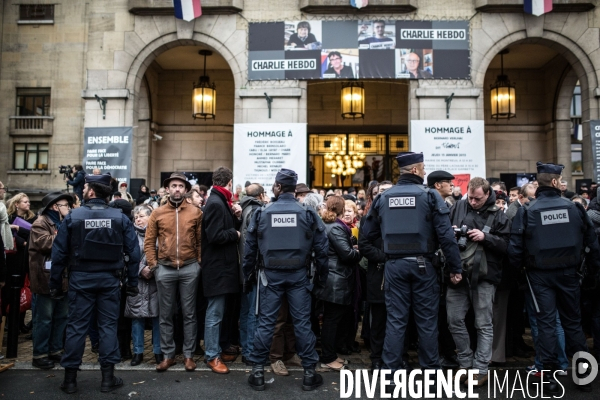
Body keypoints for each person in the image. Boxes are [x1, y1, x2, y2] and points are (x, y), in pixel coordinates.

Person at [359, 152, 462, 393]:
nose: (425, 172)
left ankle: (391, 376)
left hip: (394, 266)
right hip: (423, 265)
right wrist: (455, 268)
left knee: (396, 321)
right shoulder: (429, 196)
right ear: (415, 170)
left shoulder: (384, 198)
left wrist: (388, 252)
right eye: (423, 168)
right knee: (426, 321)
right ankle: (431, 377)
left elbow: (367, 235)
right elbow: (447, 236)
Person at [508, 162, 600, 394]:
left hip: (539, 276)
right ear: (556, 182)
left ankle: (548, 378)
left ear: (540, 183)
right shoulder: (575, 208)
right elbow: (592, 244)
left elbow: (515, 250)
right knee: (573, 324)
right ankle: (584, 377)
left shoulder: (527, 210)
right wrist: (591, 275)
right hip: (570, 274)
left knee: (546, 326)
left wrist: (517, 277)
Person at [50, 173, 140, 394]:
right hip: (110, 280)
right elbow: (134, 253)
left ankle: (70, 380)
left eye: (85, 187)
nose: (82, 190)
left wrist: (55, 284)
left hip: (81, 279)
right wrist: (132, 282)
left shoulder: (73, 217)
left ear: (90, 192)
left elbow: (59, 254)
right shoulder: (120, 217)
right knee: (108, 326)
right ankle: (107, 379)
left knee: (76, 327)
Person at [244, 168, 329, 392]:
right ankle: (310, 373)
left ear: (279, 187)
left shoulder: (263, 212)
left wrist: (247, 275)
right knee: (302, 323)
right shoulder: (307, 212)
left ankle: (258, 372)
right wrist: (321, 277)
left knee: (266, 323)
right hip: (299, 276)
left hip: (270, 276)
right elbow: (322, 248)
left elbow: (249, 248)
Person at [448, 177, 511, 387]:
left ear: (487, 194)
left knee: (483, 323)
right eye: (470, 198)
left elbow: (507, 247)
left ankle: (481, 368)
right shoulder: (458, 206)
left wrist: (486, 237)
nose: (473, 202)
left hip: (485, 275)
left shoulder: (498, 214)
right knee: (454, 319)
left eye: (478, 199)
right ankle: (465, 363)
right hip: (458, 273)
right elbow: (444, 236)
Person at [144, 172, 202, 373]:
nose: (177, 189)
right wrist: (154, 266)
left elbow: (201, 241)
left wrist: (198, 264)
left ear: (186, 190)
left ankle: (188, 355)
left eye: (180, 186)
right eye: (173, 186)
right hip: (165, 269)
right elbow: (149, 241)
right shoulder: (158, 213)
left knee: (189, 314)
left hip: (189, 267)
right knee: (166, 314)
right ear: (168, 189)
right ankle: (168, 355)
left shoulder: (195, 212)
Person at [201, 167, 242, 374]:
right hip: (217, 269)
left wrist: (236, 216)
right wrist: (235, 233)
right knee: (215, 314)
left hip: (222, 268)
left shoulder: (220, 201)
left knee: (221, 313)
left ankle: (218, 349)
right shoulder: (216, 203)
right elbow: (215, 236)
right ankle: (212, 356)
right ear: (229, 183)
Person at [314, 196, 361, 371]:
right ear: (341, 209)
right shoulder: (336, 228)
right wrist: (358, 251)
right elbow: (347, 255)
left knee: (331, 319)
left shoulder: (329, 224)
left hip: (332, 277)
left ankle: (331, 354)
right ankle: (328, 357)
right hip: (336, 279)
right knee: (331, 321)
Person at [28, 192, 73, 370]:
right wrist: (66, 232)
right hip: (45, 280)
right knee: (44, 319)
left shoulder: (61, 223)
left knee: (61, 317)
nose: (68, 209)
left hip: (61, 279)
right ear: (55, 207)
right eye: (65, 206)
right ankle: (39, 354)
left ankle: (55, 351)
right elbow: (44, 244)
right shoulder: (41, 223)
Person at [125, 205, 162, 366]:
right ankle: (138, 352)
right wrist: (141, 269)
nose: (138, 219)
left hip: (155, 282)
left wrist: (153, 268)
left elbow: (164, 253)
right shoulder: (129, 235)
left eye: (141, 216)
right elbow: (125, 256)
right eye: (136, 217)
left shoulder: (159, 234)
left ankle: (158, 352)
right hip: (137, 282)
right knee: (137, 318)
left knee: (157, 319)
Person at [238, 184, 268, 366]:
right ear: (262, 195)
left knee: (245, 310)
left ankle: (245, 348)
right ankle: (249, 351)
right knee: (252, 312)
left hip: (243, 267)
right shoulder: (256, 211)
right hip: (253, 268)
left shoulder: (243, 209)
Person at [6, 193, 37, 332]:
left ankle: (20, 322)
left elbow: (34, 234)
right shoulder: (9, 218)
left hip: (27, 257)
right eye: (25, 202)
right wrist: (21, 241)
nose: (28, 204)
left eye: (29, 202)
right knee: (12, 288)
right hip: (14, 257)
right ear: (16, 204)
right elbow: (8, 235)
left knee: (24, 288)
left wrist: (20, 230)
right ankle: (10, 321)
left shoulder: (33, 218)